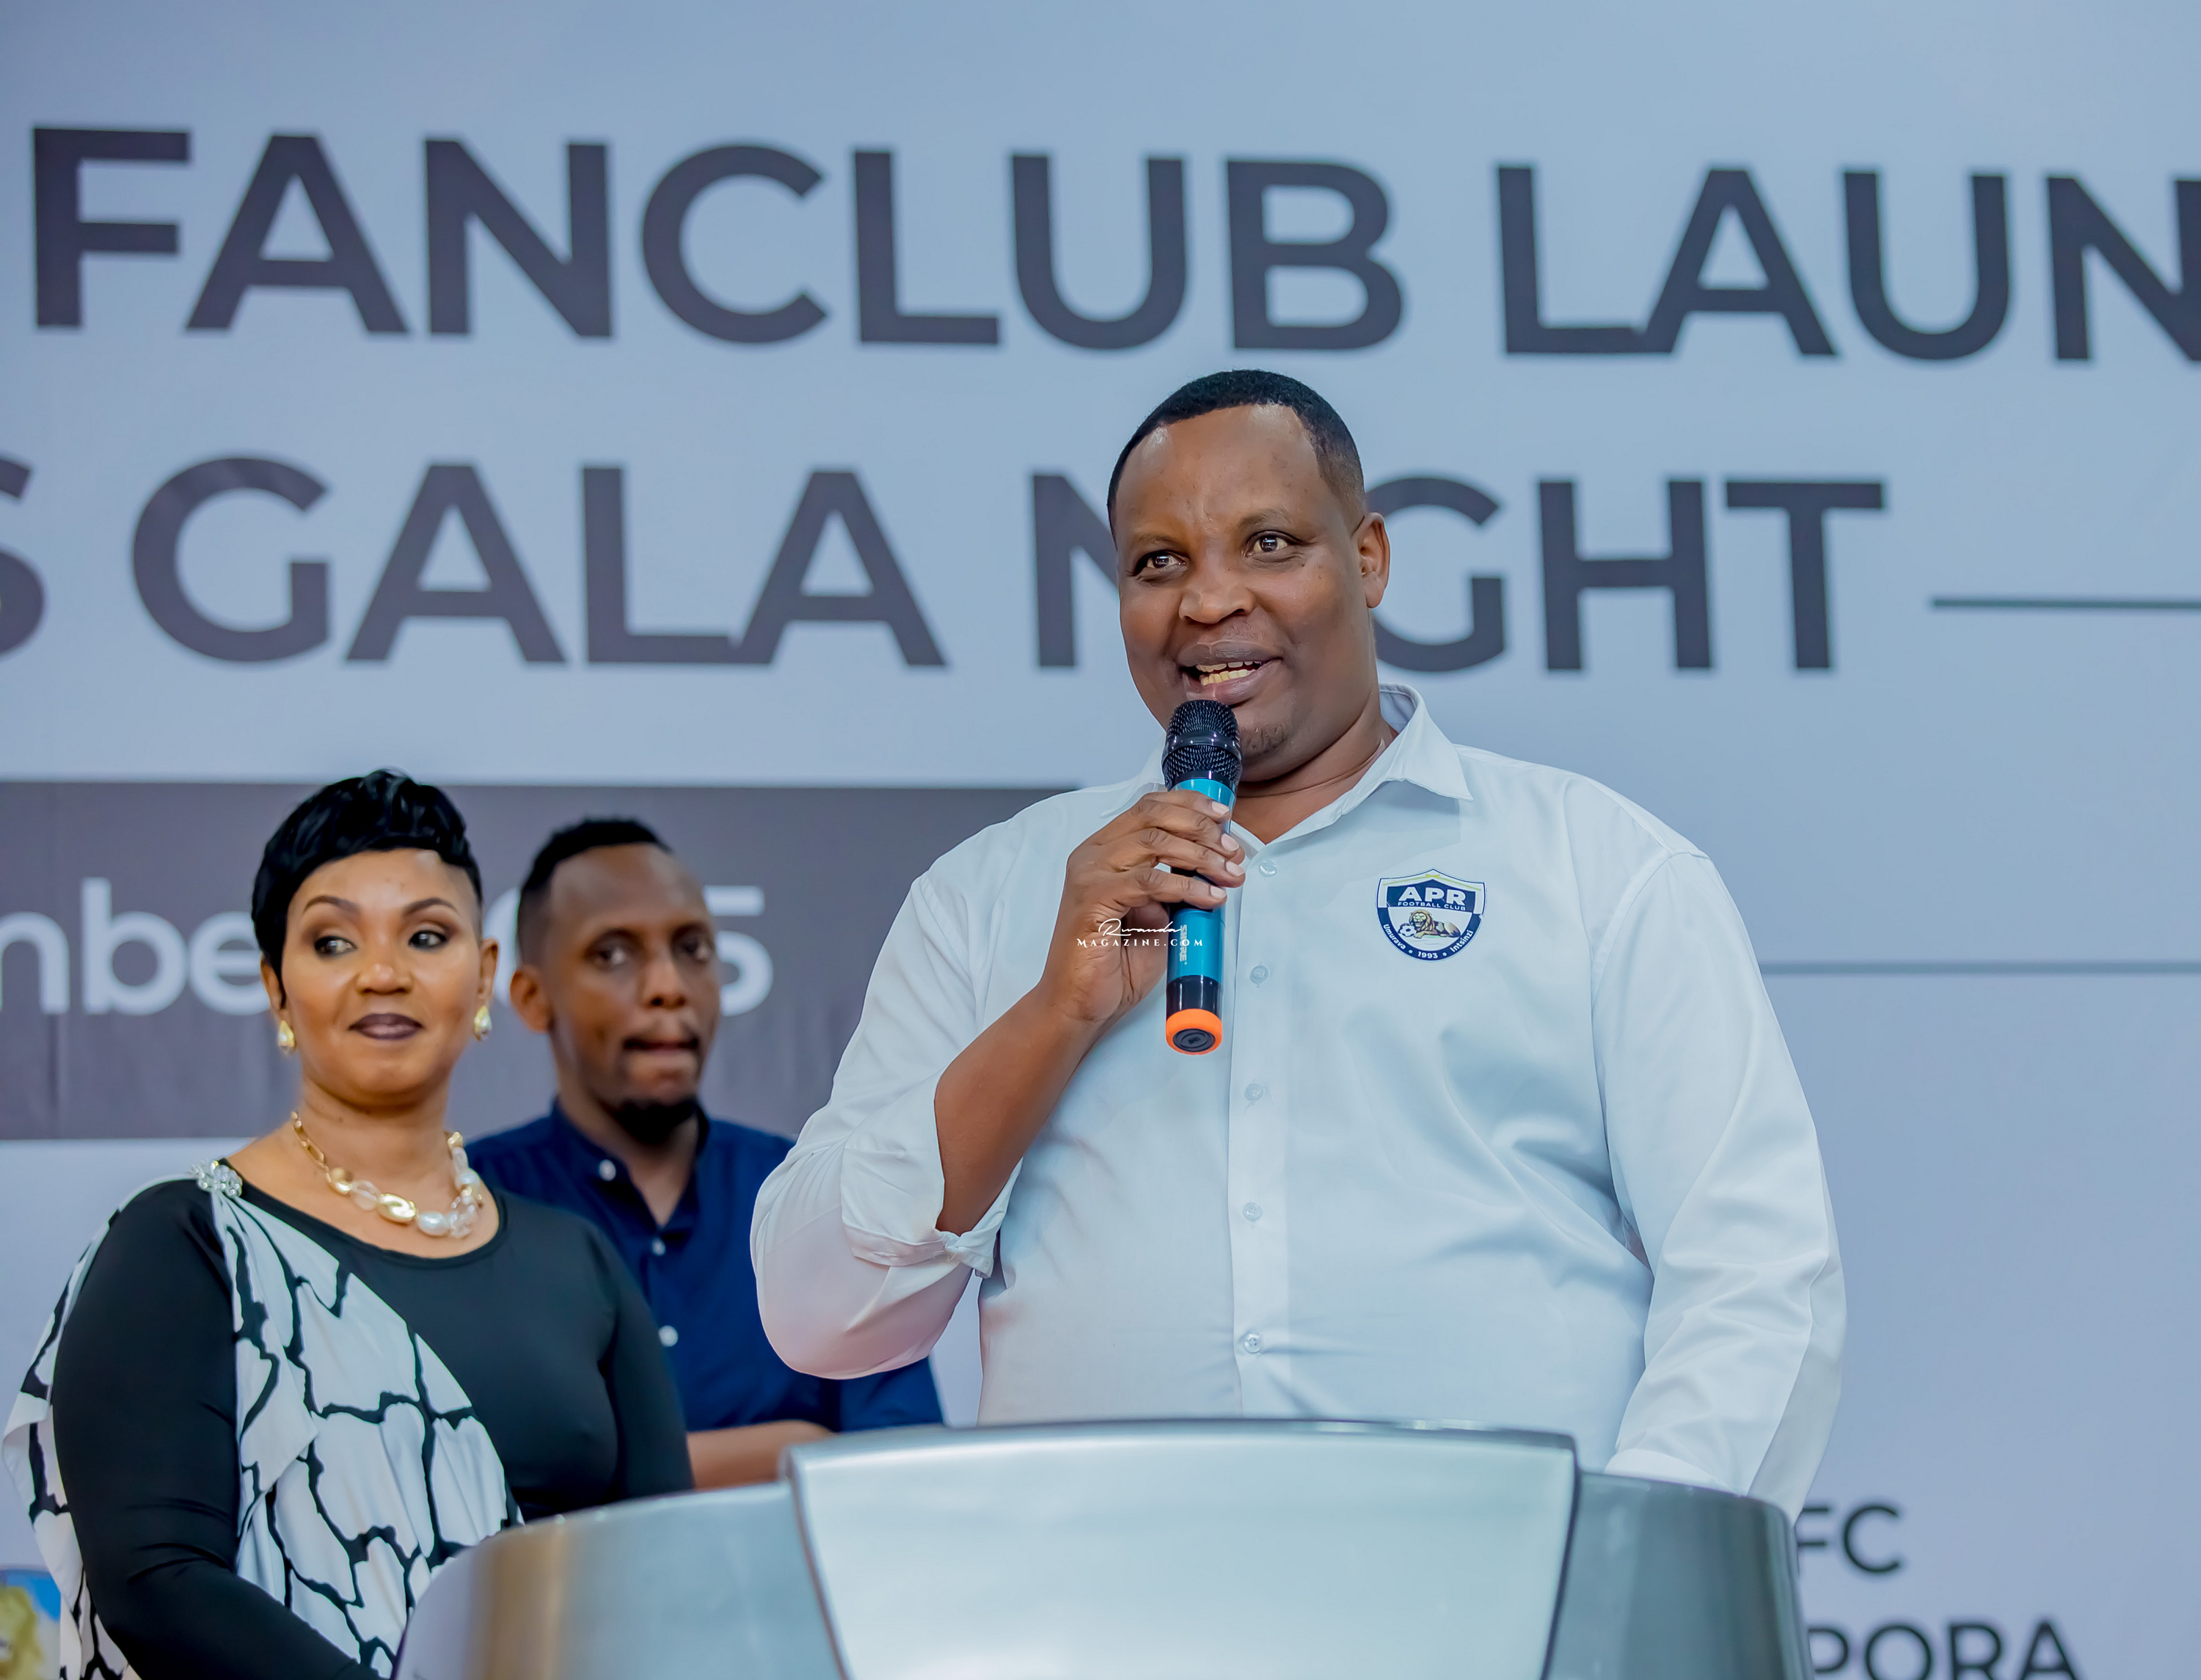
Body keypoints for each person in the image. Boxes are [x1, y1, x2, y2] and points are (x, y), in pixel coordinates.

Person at [753, 370, 1844, 1518]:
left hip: (1498, 1597)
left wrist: (1622, 1572)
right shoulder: (991, 894)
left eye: (1267, 543)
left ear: (1368, 558)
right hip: (1102, 1594)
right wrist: (1053, 1015)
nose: (1208, 600)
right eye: (1157, 562)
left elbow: (1758, 1279)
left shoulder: (1600, 866)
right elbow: (819, 1316)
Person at [4, 773, 691, 1680]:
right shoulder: (187, 1244)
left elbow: (670, 1577)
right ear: (276, 988)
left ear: (484, 975)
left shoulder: (577, 1261)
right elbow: (157, 1581)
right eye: (333, 941)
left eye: (426, 936)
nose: (383, 972)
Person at [467, 819, 941, 1490]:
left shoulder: (820, 1197)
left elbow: (903, 1473)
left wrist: (609, 1475)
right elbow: (463, 1483)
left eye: (692, 949)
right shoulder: (471, 1208)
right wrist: (794, 1448)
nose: (668, 986)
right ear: (531, 998)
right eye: (613, 954)